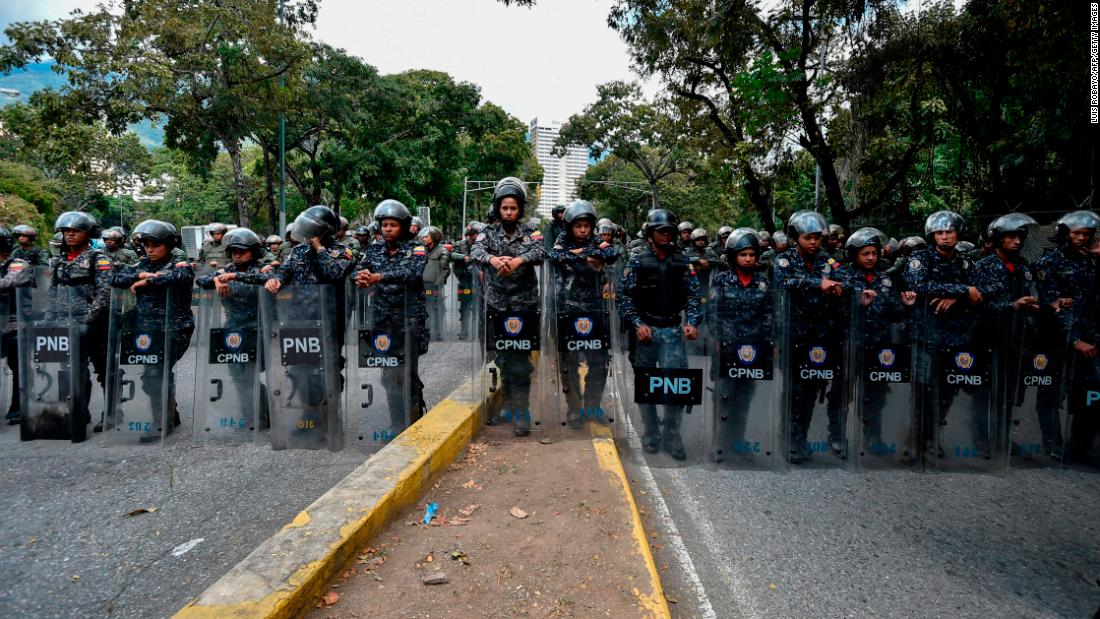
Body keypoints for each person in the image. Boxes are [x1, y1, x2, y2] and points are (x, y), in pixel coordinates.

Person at [619, 209, 702, 459]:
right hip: (646, 332)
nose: (665, 235)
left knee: (675, 385)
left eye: (669, 231)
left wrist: (693, 322)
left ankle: (672, 434)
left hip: (672, 330)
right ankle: (651, 432)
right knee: (647, 386)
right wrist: (636, 324)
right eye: (660, 231)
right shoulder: (637, 260)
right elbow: (625, 298)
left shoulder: (682, 260)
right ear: (650, 234)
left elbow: (693, 294)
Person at [470, 177, 546, 436]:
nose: (509, 212)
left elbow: (540, 252)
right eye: (505, 208)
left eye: (513, 208)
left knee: (521, 359)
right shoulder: (488, 232)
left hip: (524, 306)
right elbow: (476, 251)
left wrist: (518, 260)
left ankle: (522, 412)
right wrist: (493, 259)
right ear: (498, 209)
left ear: (520, 209)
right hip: (498, 305)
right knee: (503, 357)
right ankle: (509, 405)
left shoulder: (531, 231)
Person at [904, 210, 983, 458]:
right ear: (932, 235)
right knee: (923, 390)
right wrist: (961, 290)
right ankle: (916, 438)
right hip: (926, 335)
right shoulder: (920, 259)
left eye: (949, 231)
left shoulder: (966, 262)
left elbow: (980, 293)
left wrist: (955, 297)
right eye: (940, 232)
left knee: (948, 390)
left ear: (958, 233)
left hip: (957, 336)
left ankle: (933, 436)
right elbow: (920, 285)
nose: (945, 237)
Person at [773, 210, 849, 462]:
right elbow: (784, 283)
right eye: (808, 238)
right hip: (794, 336)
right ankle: (788, 440)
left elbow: (848, 281)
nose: (814, 242)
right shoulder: (784, 260)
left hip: (822, 338)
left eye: (817, 237)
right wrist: (818, 283)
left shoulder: (828, 261)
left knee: (812, 389)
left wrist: (838, 287)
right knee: (794, 389)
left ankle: (801, 438)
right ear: (796, 238)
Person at [110, 220, 194, 436]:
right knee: (153, 375)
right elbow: (115, 278)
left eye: (155, 245)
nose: (150, 249)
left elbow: (182, 277)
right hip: (147, 330)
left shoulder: (178, 263)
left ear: (168, 245)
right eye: (146, 245)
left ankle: (161, 422)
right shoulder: (142, 265)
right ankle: (169, 414)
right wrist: (140, 276)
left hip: (176, 328)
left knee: (155, 373)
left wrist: (150, 282)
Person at [839, 227, 916, 450]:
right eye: (866, 253)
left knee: (876, 394)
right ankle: (838, 437)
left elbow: (893, 312)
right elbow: (835, 310)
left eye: (874, 252)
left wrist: (906, 306)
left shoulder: (885, 279)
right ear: (854, 254)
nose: (871, 257)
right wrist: (858, 305)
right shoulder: (843, 276)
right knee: (843, 395)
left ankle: (873, 438)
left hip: (879, 347)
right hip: (851, 345)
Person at [355, 200, 429, 426]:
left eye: (393, 225)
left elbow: (413, 273)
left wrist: (379, 277)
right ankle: (397, 422)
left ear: (403, 226)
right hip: (382, 320)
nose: (387, 228)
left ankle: (413, 421)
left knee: (407, 373)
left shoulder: (416, 248)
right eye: (384, 224)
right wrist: (360, 277)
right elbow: (358, 269)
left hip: (409, 320)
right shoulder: (373, 249)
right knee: (388, 374)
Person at [1034, 210, 1100, 464]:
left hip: (1091, 340)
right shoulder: (1050, 262)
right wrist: (1074, 340)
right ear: (1065, 234)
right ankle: (1053, 445)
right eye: (1077, 233)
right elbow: (1053, 307)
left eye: (1087, 234)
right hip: (1056, 340)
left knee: (1089, 394)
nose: (1083, 238)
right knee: (1050, 394)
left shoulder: (1093, 262)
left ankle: (1079, 446)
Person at [548, 200, 618, 427]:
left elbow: (613, 254)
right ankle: (575, 409)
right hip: (567, 310)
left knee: (599, 361)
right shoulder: (561, 240)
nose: (583, 230)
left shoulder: (598, 241)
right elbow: (555, 257)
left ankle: (592, 406)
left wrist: (582, 252)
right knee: (568, 364)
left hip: (594, 309)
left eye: (586, 225)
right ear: (569, 226)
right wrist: (587, 255)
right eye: (578, 226)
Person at [196, 228, 271, 429]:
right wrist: (215, 279)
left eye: (242, 251)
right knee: (238, 376)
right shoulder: (226, 269)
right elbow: (201, 281)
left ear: (253, 252)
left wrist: (232, 277)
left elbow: (268, 279)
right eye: (234, 251)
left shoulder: (262, 269)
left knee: (250, 375)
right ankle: (251, 415)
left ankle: (262, 413)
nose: (237, 254)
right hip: (233, 331)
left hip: (258, 329)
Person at [710, 228, 772, 460]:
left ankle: (738, 442)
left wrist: (769, 343)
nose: (748, 259)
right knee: (724, 396)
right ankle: (719, 444)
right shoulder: (722, 280)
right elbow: (714, 313)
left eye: (752, 254)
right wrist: (717, 341)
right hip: (727, 348)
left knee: (744, 399)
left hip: (753, 350)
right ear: (733, 256)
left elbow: (768, 315)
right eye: (743, 254)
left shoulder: (763, 283)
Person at [50, 212, 114, 432]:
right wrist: (49, 318)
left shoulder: (99, 258)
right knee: (72, 370)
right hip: (65, 324)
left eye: (75, 231)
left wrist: (88, 320)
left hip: (94, 325)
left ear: (88, 234)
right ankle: (78, 411)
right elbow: (53, 292)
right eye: (66, 231)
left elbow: (105, 294)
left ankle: (113, 413)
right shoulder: (58, 261)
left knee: (104, 370)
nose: (69, 235)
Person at [0, 227, 34, 425]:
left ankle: (18, 406)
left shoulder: (18, 264)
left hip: (16, 324)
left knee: (18, 367)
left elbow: (7, 283)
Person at [449, 222, 482, 340]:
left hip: (479, 281)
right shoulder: (460, 244)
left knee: (479, 307)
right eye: (475, 234)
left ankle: (478, 332)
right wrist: (463, 257)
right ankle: (464, 332)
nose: (476, 236)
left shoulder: (482, 245)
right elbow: (450, 254)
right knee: (465, 307)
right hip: (464, 280)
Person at [419, 226, 451, 342]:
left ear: (434, 237)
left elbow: (445, 270)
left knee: (437, 309)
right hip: (422, 286)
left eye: (426, 236)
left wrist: (437, 284)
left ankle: (437, 333)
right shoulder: (421, 250)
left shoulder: (442, 251)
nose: (424, 238)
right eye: (423, 236)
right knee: (424, 309)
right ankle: (425, 332)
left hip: (435, 287)